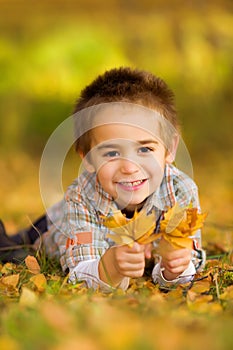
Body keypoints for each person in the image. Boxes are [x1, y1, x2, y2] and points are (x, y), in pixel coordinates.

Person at [0, 67, 205, 291]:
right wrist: (109, 269)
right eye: (112, 153)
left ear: (170, 148)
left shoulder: (180, 190)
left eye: (145, 149)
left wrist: (175, 268)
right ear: (87, 159)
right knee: (13, 251)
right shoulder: (81, 195)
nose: (129, 167)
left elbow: (189, 261)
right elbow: (80, 271)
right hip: (52, 226)